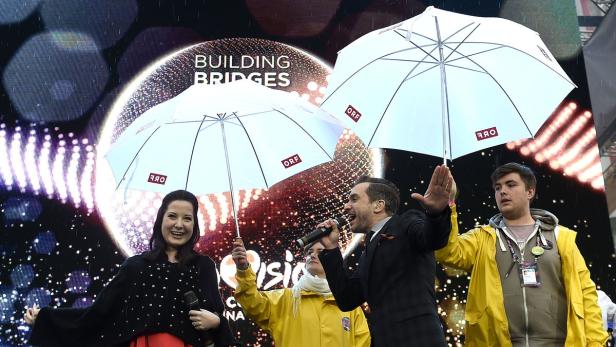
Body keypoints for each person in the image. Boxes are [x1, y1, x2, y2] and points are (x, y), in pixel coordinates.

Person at [24, 190, 236, 347]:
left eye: (187, 218)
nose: (179, 224)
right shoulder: (135, 266)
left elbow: (216, 317)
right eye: (172, 216)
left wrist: (216, 321)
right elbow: (98, 314)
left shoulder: (203, 266)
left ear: (194, 225)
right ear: (160, 219)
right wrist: (46, 318)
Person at [436, 162, 608, 346]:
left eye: (511, 185)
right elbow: (448, 253)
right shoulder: (482, 238)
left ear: (530, 192)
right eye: (497, 187)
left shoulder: (561, 237)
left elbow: (586, 294)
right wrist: (448, 204)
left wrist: (596, 343)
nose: (502, 191)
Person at [317, 165, 453, 347]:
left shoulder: (407, 222)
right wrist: (332, 249)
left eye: (354, 199)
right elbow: (346, 299)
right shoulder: (367, 253)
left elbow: (433, 238)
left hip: (419, 339)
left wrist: (436, 214)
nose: (346, 206)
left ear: (378, 205)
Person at [230, 238, 370, 347]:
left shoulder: (350, 306)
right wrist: (243, 269)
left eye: (320, 252)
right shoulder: (284, 299)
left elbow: (363, 342)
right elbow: (251, 303)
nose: (313, 255)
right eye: (310, 252)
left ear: (332, 258)